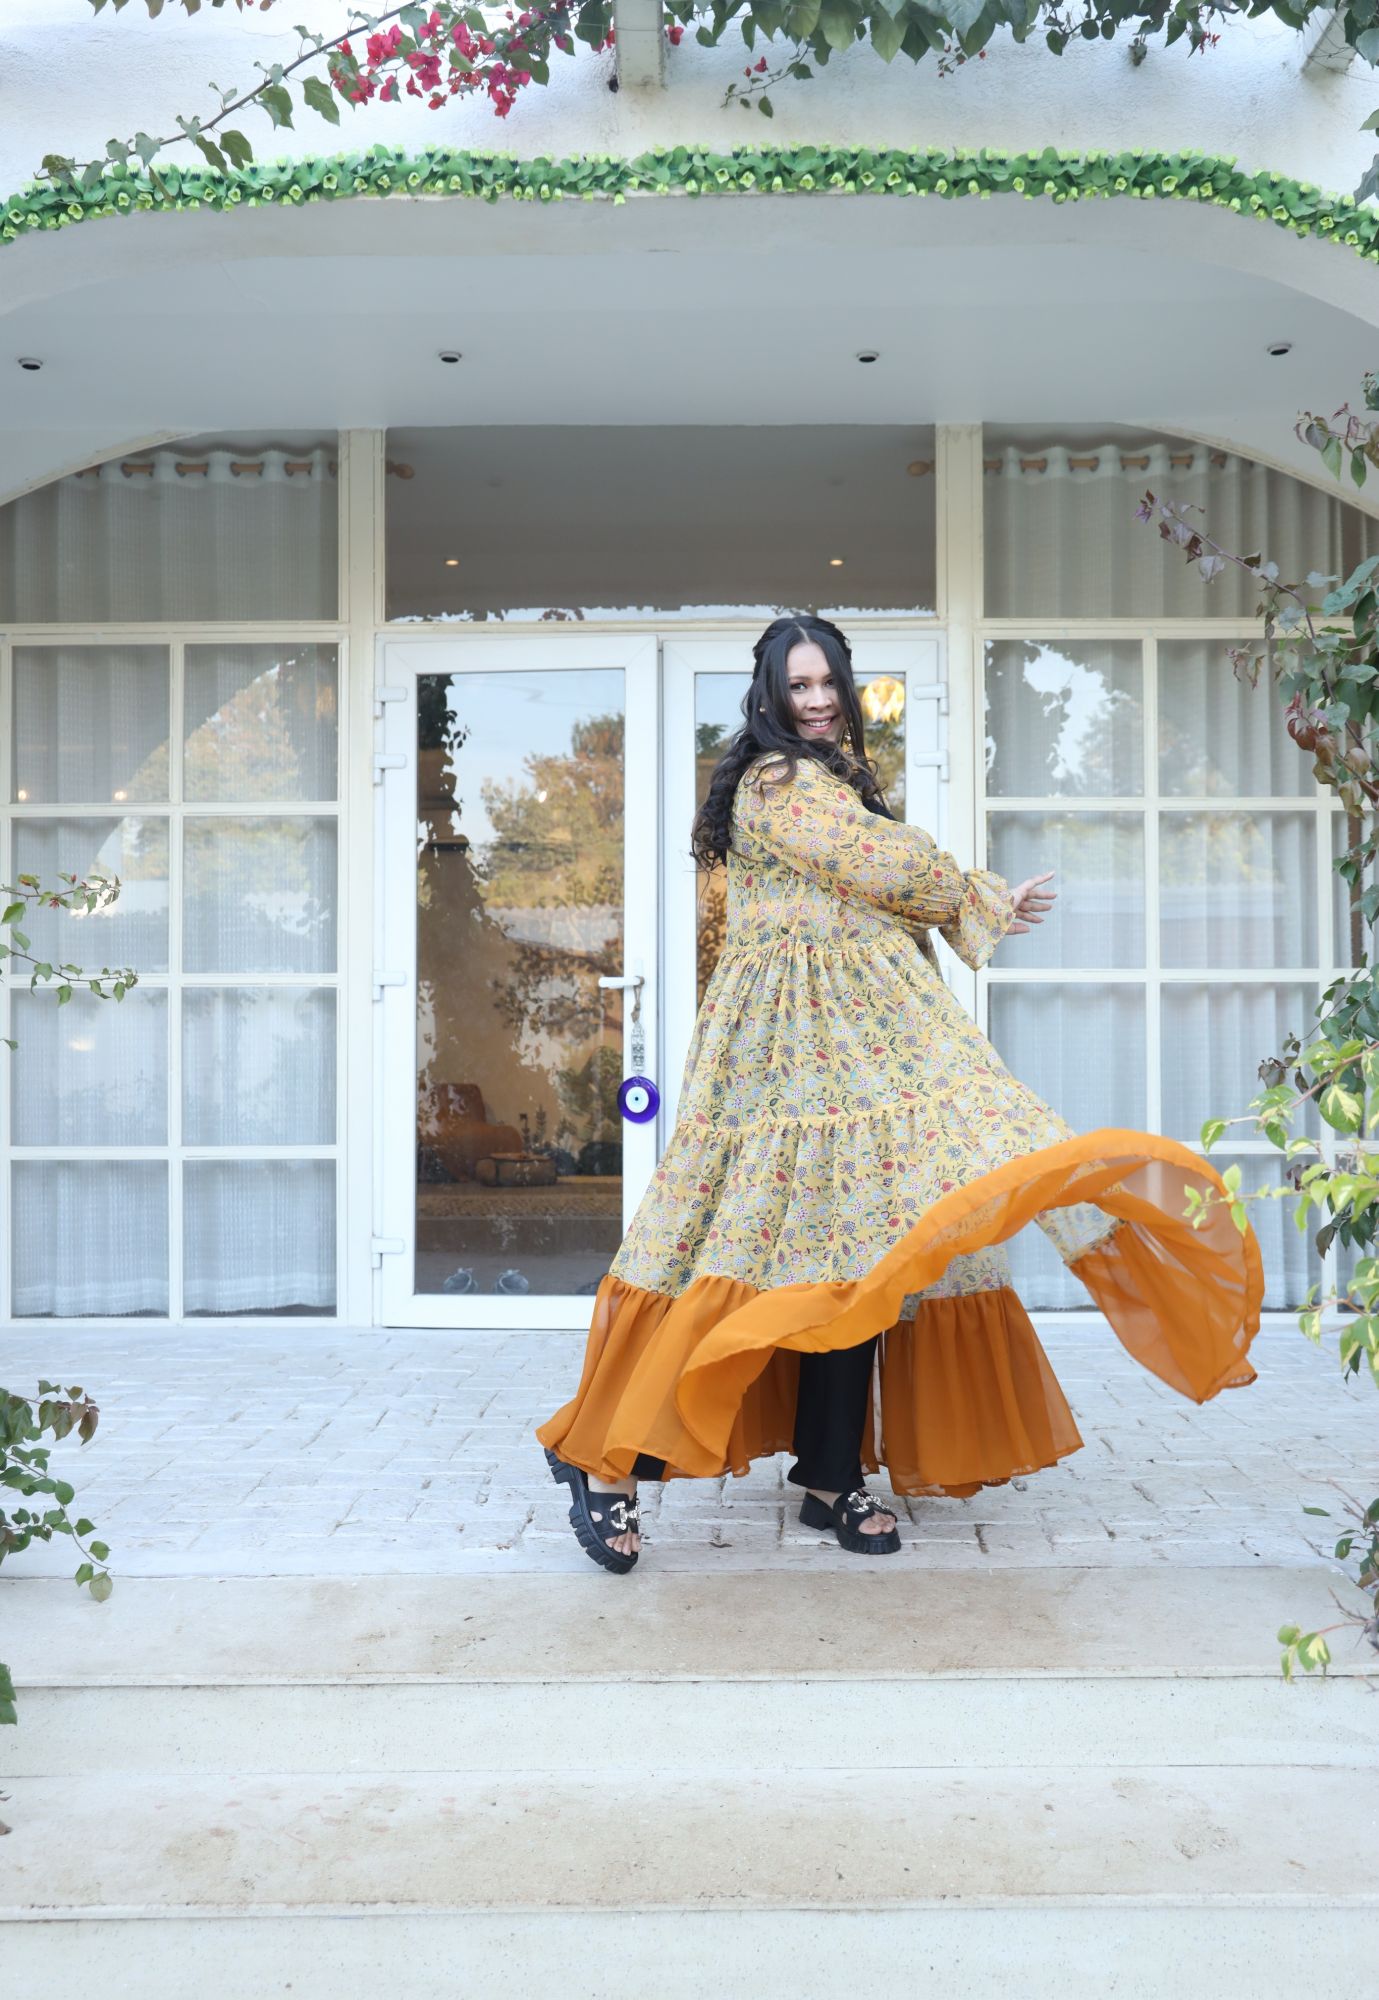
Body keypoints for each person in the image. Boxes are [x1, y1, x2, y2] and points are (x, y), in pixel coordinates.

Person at [538, 614, 1263, 1572]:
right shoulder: (779, 782)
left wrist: (969, 899)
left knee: (862, 1267)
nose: (819, 700)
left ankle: (830, 1476)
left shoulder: (830, 779)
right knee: (718, 1245)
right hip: (789, 1066)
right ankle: (600, 1462)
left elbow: (879, 876)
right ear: (768, 696)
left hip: (864, 1060)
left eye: (829, 681)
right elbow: (886, 865)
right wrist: (975, 891)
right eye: (799, 687)